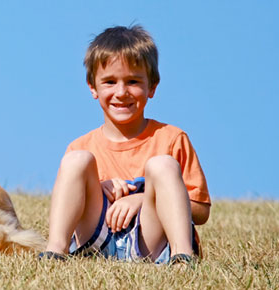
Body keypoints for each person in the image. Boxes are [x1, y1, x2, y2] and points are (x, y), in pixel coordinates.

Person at [40, 25, 210, 264]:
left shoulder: (171, 138)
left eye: (132, 81)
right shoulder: (82, 145)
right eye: (109, 82)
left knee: (163, 165)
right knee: (77, 160)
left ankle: (182, 257)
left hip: (150, 243)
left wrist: (143, 199)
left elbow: (201, 211)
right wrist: (99, 187)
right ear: (93, 87)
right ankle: (56, 252)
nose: (121, 92)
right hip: (96, 239)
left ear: (152, 86)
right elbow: (68, 202)